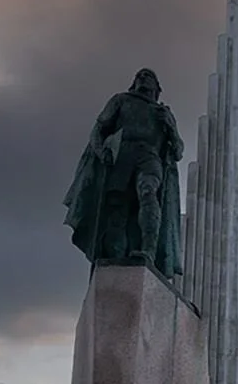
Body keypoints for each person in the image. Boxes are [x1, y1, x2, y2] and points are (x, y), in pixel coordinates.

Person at [63, 69, 184, 278]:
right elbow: (98, 130)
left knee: (148, 192)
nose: (143, 78)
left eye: (148, 76)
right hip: (123, 156)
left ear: (157, 87)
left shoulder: (163, 113)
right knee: (118, 209)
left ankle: (148, 250)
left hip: (149, 157)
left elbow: (178, 151)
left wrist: (170, 126)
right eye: (139, 76)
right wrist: (102, 152)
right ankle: (116, 255)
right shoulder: (121, 100)